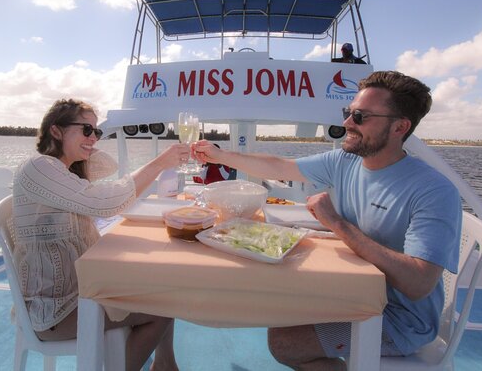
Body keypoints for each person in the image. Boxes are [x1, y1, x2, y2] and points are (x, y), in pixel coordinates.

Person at [192, 71, 462, 370]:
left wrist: (337, 223)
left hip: (397, 318)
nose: (347, 123)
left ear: (400, 126)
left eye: (360, 116)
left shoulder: (432, 190)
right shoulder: (346, 161)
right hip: (353, 292)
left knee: (285, 342)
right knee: (279, 306)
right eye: (348, 113)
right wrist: (219, 155)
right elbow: (279, 166)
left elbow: (418, 283)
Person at [12, 98, 187, 371]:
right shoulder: (40, 168)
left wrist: (82, 142)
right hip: (55, 309)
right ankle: (156, 366)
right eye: (86, 130)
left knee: (161, 286)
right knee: (163, 306)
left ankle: (165, 365)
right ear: (56, 130)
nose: (93, 138)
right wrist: (160, 163)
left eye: (97, 131)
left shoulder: (62, 170)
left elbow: (109, 165)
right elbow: (106, 204)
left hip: (83, 287)